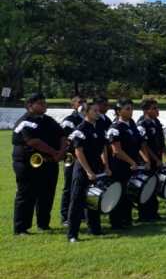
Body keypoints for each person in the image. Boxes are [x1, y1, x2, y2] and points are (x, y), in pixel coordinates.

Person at [12, 92, 64, 235]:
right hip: (27, 164)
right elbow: (34, 142)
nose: (44, 105)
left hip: (49, 163)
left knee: (47, 194)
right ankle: (21, 228)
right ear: (30, 105)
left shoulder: (48, 120)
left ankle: (43, 224)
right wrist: (55, 152)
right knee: (26, 195)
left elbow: (62, 135)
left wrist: (61, 152)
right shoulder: (25, 121)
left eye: (45, 102)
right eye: (40, 103)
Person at [65, 98, 109, 242]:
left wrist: (106, 166)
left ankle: (95, 229)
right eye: (94, 111)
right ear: (86, 112)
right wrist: (88, 171)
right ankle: (72, 234)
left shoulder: (99, 127)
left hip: (97, 167)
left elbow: (104, 148)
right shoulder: (81, 129)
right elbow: (78, 152)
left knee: (94, 198)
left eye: (98, 110)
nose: (98, 113)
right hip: (83, 168)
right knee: (77, 201)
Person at [107, 98, 150, 228]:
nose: (131, 111)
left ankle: (127, 219)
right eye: (127, 109)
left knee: (128, 194)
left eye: (131, 108)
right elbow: (116, 151)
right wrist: (132, 162)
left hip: (132, 166)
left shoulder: (131, 124)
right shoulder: (115, 128)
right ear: (118, 111)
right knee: (118, 194)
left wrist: (146, 160)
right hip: (119, 166)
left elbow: (140, 144)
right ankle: (116, 222)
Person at [137, 99, 165, 222]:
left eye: (157, 108)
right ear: (146, 110)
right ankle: (144, 214)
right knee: (146, 186)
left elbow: (161, 142)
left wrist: (164, 156)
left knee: (154, 185)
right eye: (154, 108)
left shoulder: (156, 122)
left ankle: (153, 212)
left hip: (157, 159)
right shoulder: (142, 124)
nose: (157, 110)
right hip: (147, 160)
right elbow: (144, 145)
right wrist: (154, 159)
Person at [58, 95, 83, 226]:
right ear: (73, 105)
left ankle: (81, 213)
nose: (83, 104)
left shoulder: (87, 119)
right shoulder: (69, 120)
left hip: (84, 158)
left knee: (82, 186)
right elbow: (65, 140)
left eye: (85, 102)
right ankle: (65, 216)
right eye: (80, 102)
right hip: (71, 156)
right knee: (69, 186)